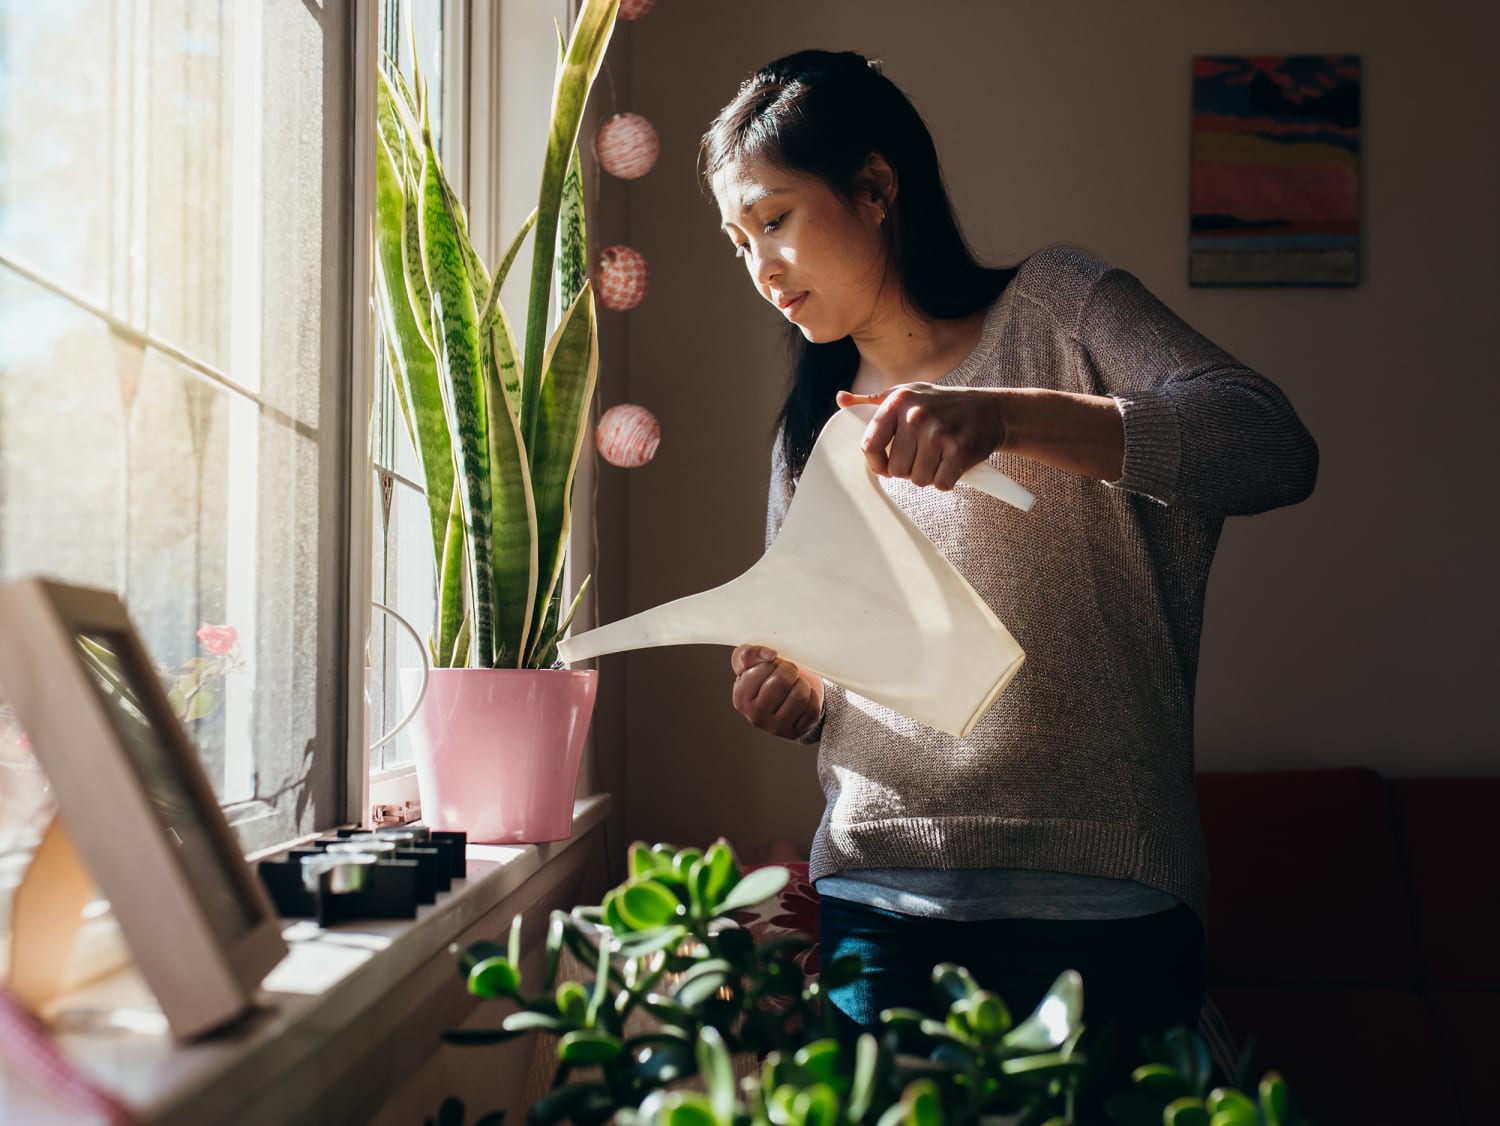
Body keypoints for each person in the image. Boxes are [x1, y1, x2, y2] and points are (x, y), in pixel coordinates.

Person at [700, 48, 1319, 1107]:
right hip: (874, 900)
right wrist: (795, 691)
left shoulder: (1061, 309)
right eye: (736, 238)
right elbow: (820, 668)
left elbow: (1270, 444)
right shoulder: (810, 426)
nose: (760, 263)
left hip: (1105, 899)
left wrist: (1008, 415)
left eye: (776, 218)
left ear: (877, 187)